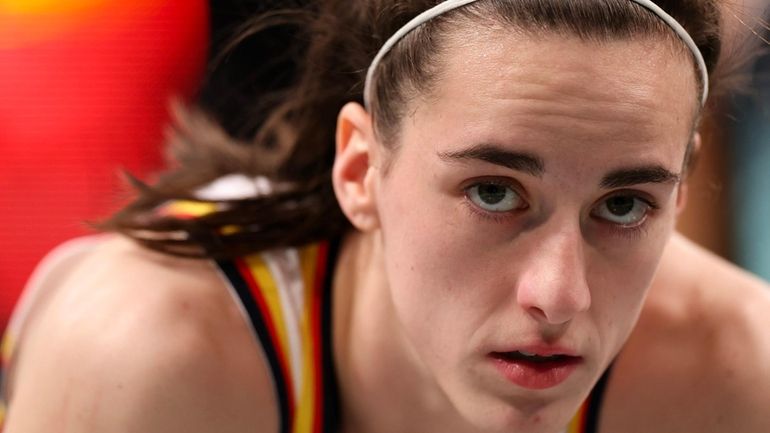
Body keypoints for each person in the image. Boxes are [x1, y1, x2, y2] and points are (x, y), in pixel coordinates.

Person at [1, 0, 769, 432]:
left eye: (624, 204)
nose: (560, 294)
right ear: (362, 169)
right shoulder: (148, 356)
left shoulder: (733, 372)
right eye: (494, 192)